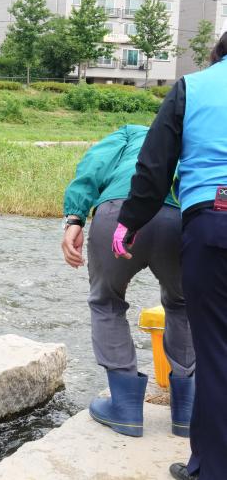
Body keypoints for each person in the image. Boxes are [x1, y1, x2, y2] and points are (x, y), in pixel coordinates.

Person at [114, 35, 227, 480]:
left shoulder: (193, 87)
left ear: (217, 55)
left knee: (216, 354)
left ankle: (211, 469)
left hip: (215, 222)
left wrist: (130, 221)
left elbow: (154, 165)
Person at [61, 125, 194, 439]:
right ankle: (187, 411)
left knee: (106, 302)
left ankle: (126, 409)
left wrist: (75, 217)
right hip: (177, 216)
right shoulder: (189, 133)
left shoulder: (130, 132)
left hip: (117, 211)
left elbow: (93, 165)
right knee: (183, 304)